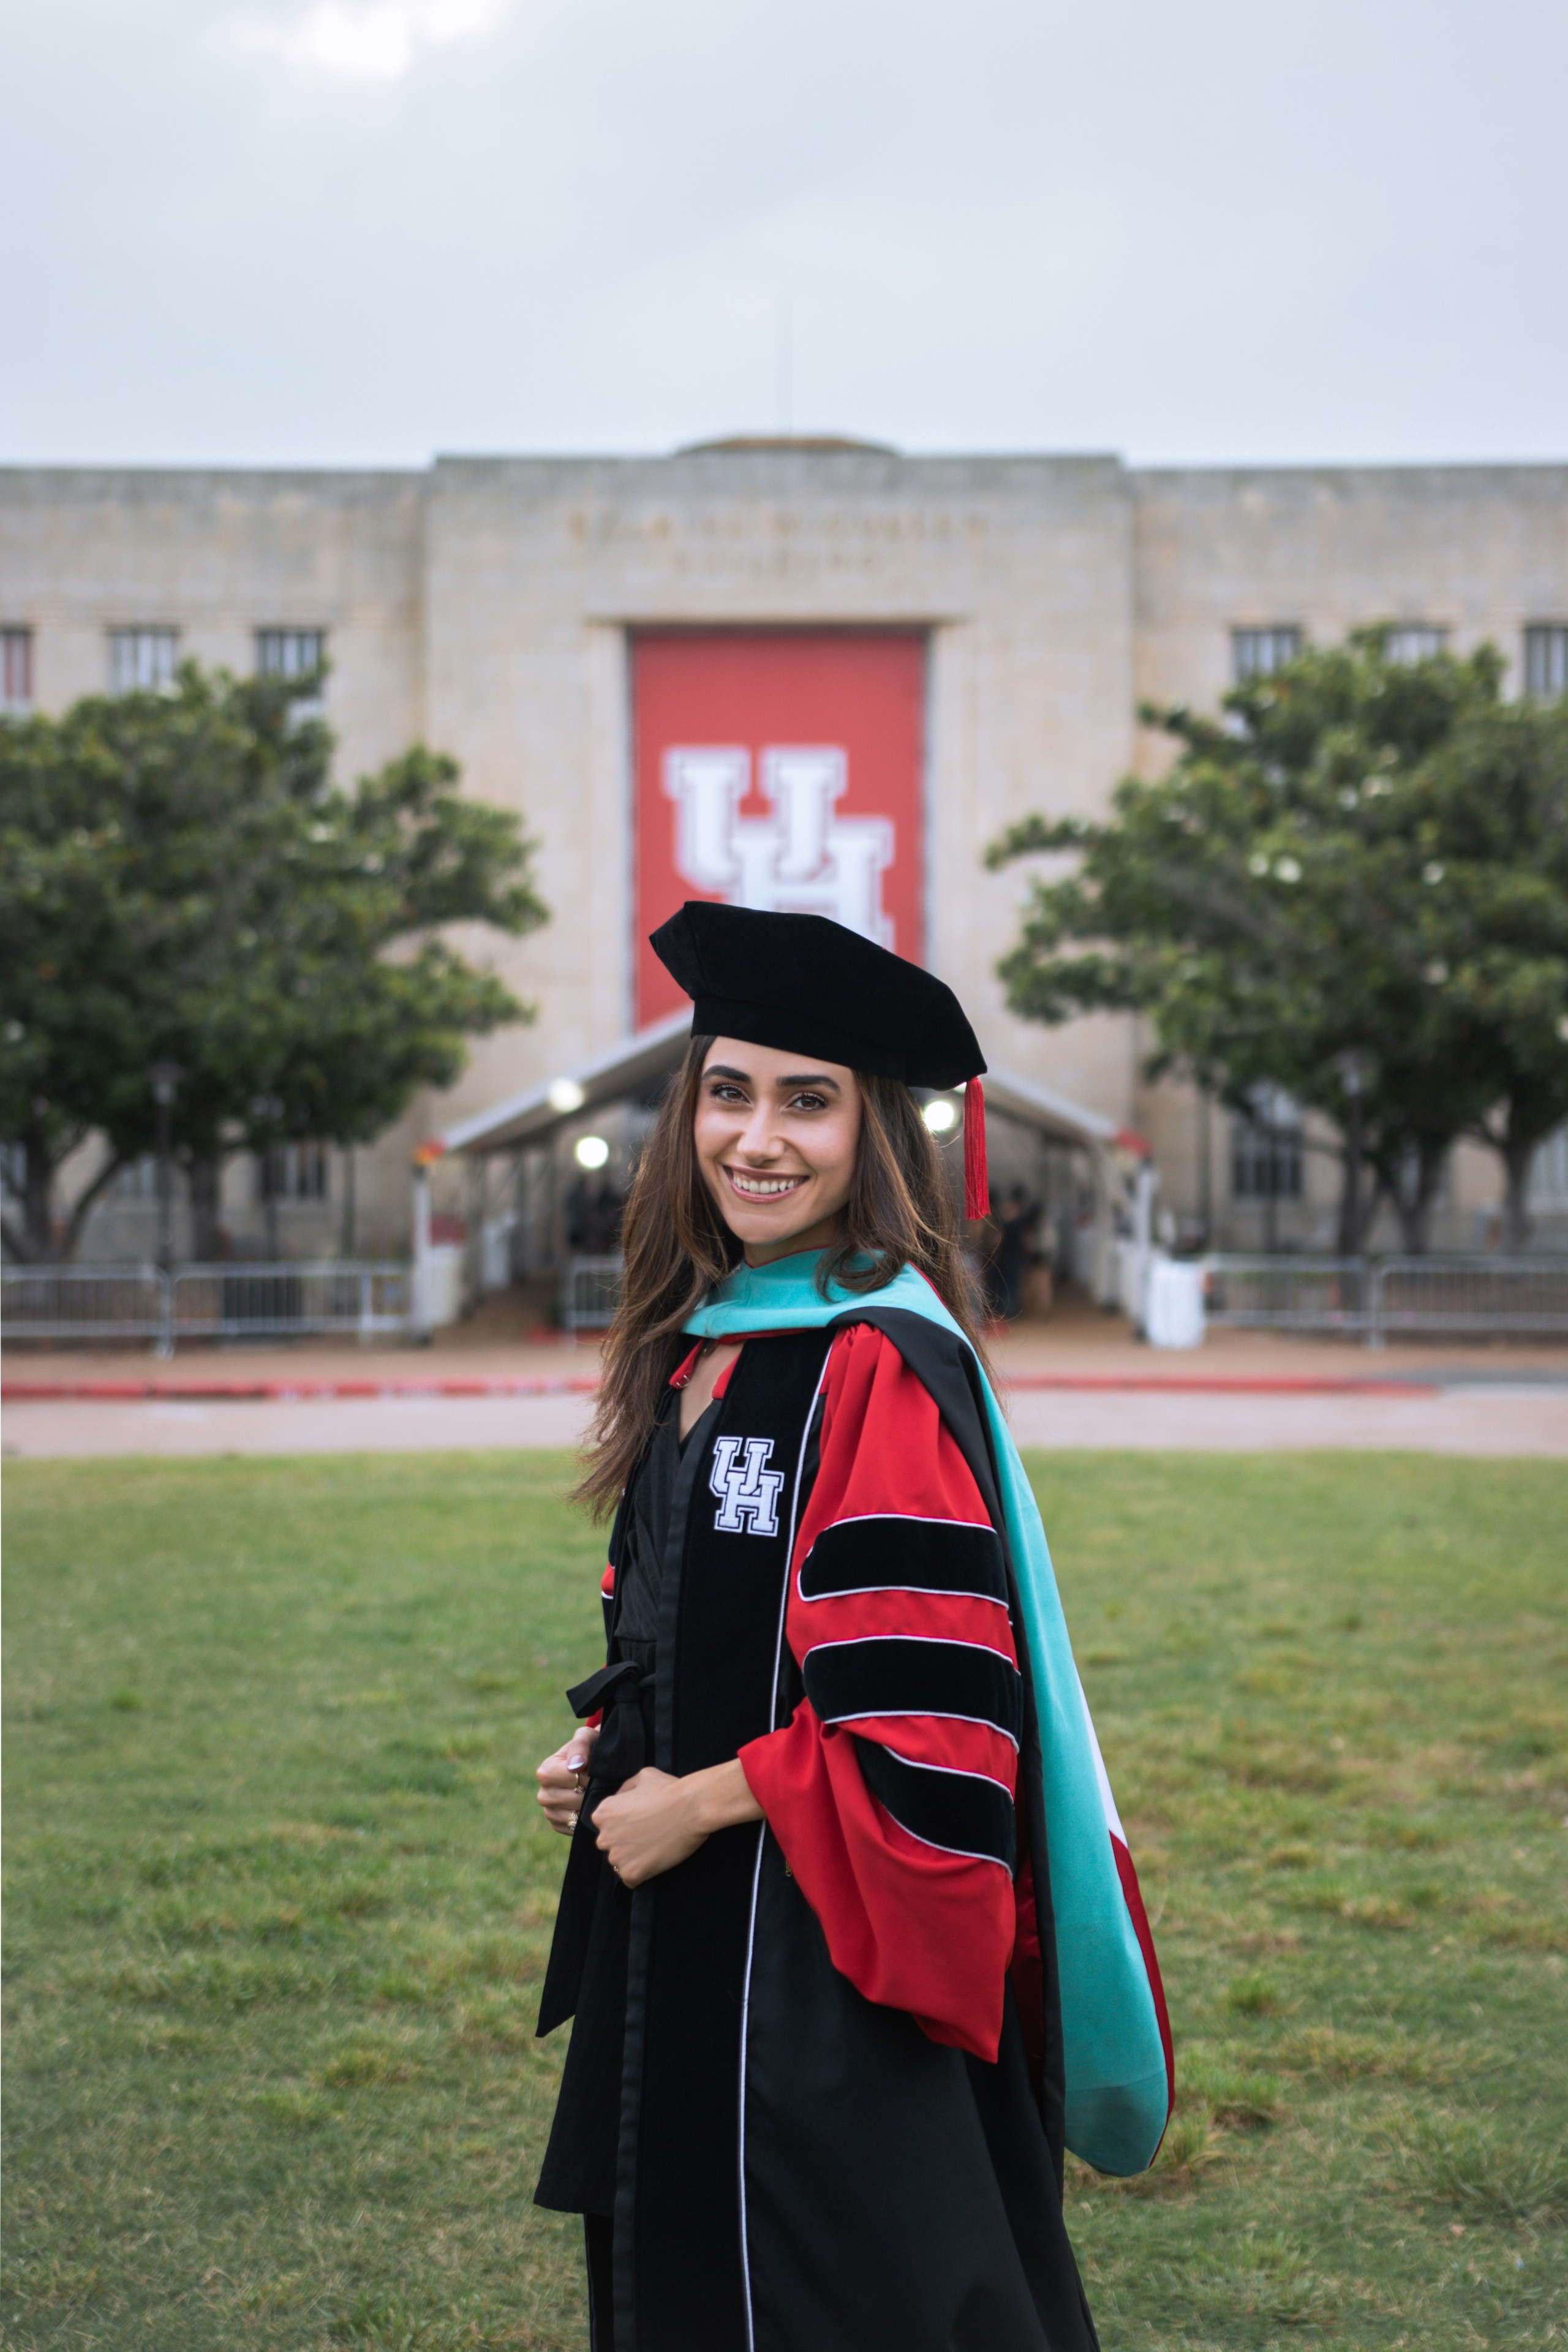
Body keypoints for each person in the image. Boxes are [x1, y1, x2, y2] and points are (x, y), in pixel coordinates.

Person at [533, 903, 1172, 2352]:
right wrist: (608, 1749)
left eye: (807, 1103)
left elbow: (930, 1734)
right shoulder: (704, 1347)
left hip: (819, 1990)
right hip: (694, 1937)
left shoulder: (875, 1363)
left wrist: (695, 1799)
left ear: (871, 1135)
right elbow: (713, 1628)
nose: (757, 1138)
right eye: (728, 1091)